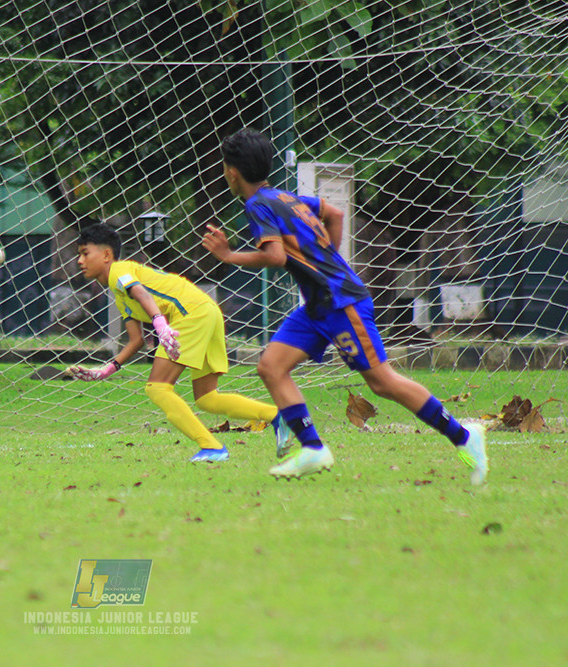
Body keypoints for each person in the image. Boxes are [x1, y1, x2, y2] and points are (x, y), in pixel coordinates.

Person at [201, 128, 488, 484]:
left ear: (232, 172)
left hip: (341, 303)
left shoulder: (257, 205)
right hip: (318, 305)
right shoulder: (285, 197)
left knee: (382, 382)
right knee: (271, 367)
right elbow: (334, 213)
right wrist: (328, 260)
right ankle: (313, 448)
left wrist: (229, 255)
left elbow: (275, 257)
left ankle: (464, 435)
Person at [69, 223, 287, 462]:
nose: (80, 260)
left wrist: (160, 324)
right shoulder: (118, 292)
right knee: (207, 398)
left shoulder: (119, 270)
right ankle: (277, 415)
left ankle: (212, 447)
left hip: (190, 313)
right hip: (207, 311)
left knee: (157, 388)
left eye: (85, 253)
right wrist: (107, 369)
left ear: (106, 255)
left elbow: (142, 293)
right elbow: (136, 340)